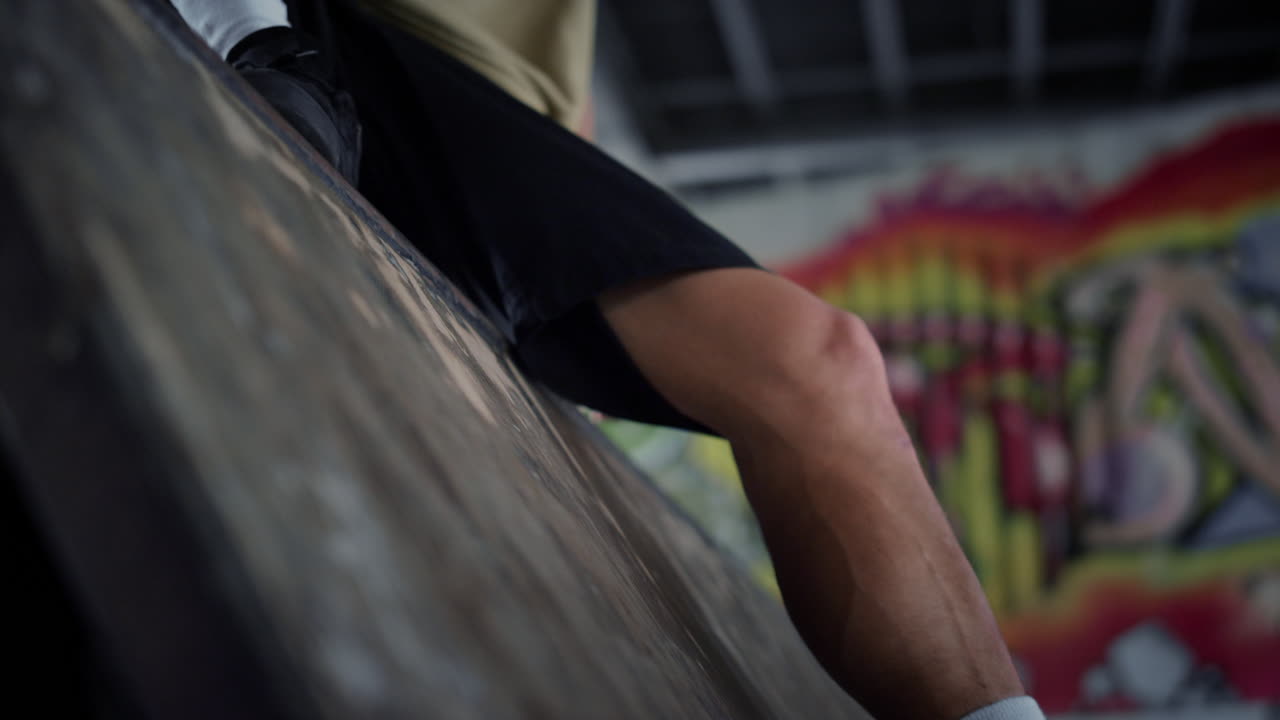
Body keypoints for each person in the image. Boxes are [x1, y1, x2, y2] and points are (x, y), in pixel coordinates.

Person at [171, 2, 1045, 718]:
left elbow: (557, 58)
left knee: (823, 367)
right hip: (356, 60)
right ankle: (244, 34)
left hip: (501, 132)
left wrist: (573, 305)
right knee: (819, 360)